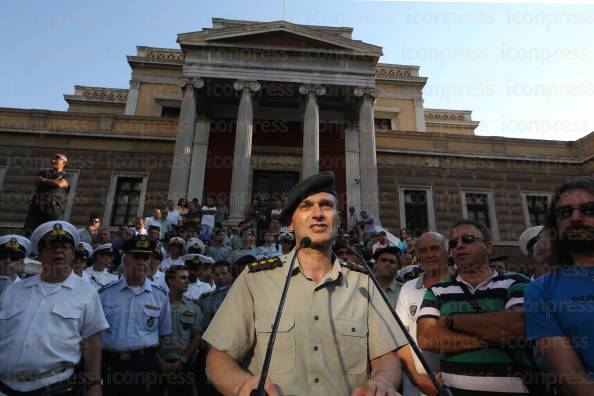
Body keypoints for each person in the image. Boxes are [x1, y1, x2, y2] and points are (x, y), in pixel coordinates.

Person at [203, 171, 407, 395]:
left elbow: (386, 357)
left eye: (326, 206)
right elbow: (218, 358)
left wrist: (383, 382)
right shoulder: (255, 280)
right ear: (290, 224)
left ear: (338, 219)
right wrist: (242, 385)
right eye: (306, 206)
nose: (318, 213)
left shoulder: (364, 283)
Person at [417, 219, 532, 395]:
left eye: (468, 239)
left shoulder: (516, 281)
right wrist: (491, 337)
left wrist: (449, 321)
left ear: (488, 246)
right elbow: (427, 338)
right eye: (454, 243)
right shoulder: (437, 290)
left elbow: (515, 327)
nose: (460, 245)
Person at [0, 221, 108, 395]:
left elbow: (92, 341)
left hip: (53, 388)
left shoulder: (86, 292)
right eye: (51, 247)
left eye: (65, 246)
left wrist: (94, 384)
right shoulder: (14, 291)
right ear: (40, 255)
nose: (58, 251)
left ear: (72, 254)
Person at [524, 177, 594, 395]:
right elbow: (571, 376)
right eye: (564, 212)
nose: (575, 218)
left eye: (588, 209)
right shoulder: (540, 291)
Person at [99, 234, 172, 396]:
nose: (141, 262)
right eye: (136, 256)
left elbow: (164, 334)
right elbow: (96, 334)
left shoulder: (160, 295)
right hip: (111, 363)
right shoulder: (105, 294)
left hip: (144, 365)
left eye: (146, 257)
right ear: (125, 259)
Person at [396, 232, 448, 396]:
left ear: (447, 252)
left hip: (454, 383)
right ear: (417, 256)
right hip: (414, 387)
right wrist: (417, 378)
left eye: (434, 249)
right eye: (423, 251)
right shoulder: (407, 288)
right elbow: (400, 339)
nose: (429, 255)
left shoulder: (461, 286)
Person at [160, 265, 203, 396]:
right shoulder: (158, 304)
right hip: (158, 363)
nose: (187, 281)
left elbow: (197, 337)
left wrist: (182, 360)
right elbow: (150, 334)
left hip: (184, 365)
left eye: (188, 278)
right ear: (171, 281)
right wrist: (160, 362)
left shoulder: (193, 308)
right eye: (183, 278)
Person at [23, 153, 71, 234]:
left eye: (57, 158)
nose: (53, 160)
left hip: (53, 208)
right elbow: (36, 180)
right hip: (37, 205)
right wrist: (53, 182)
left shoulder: (67, 175)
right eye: (53, 158)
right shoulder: (43, 172)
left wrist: (44, 180)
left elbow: (60, 184)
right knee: (31, 228)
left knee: (49, 230)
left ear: (64, 163)